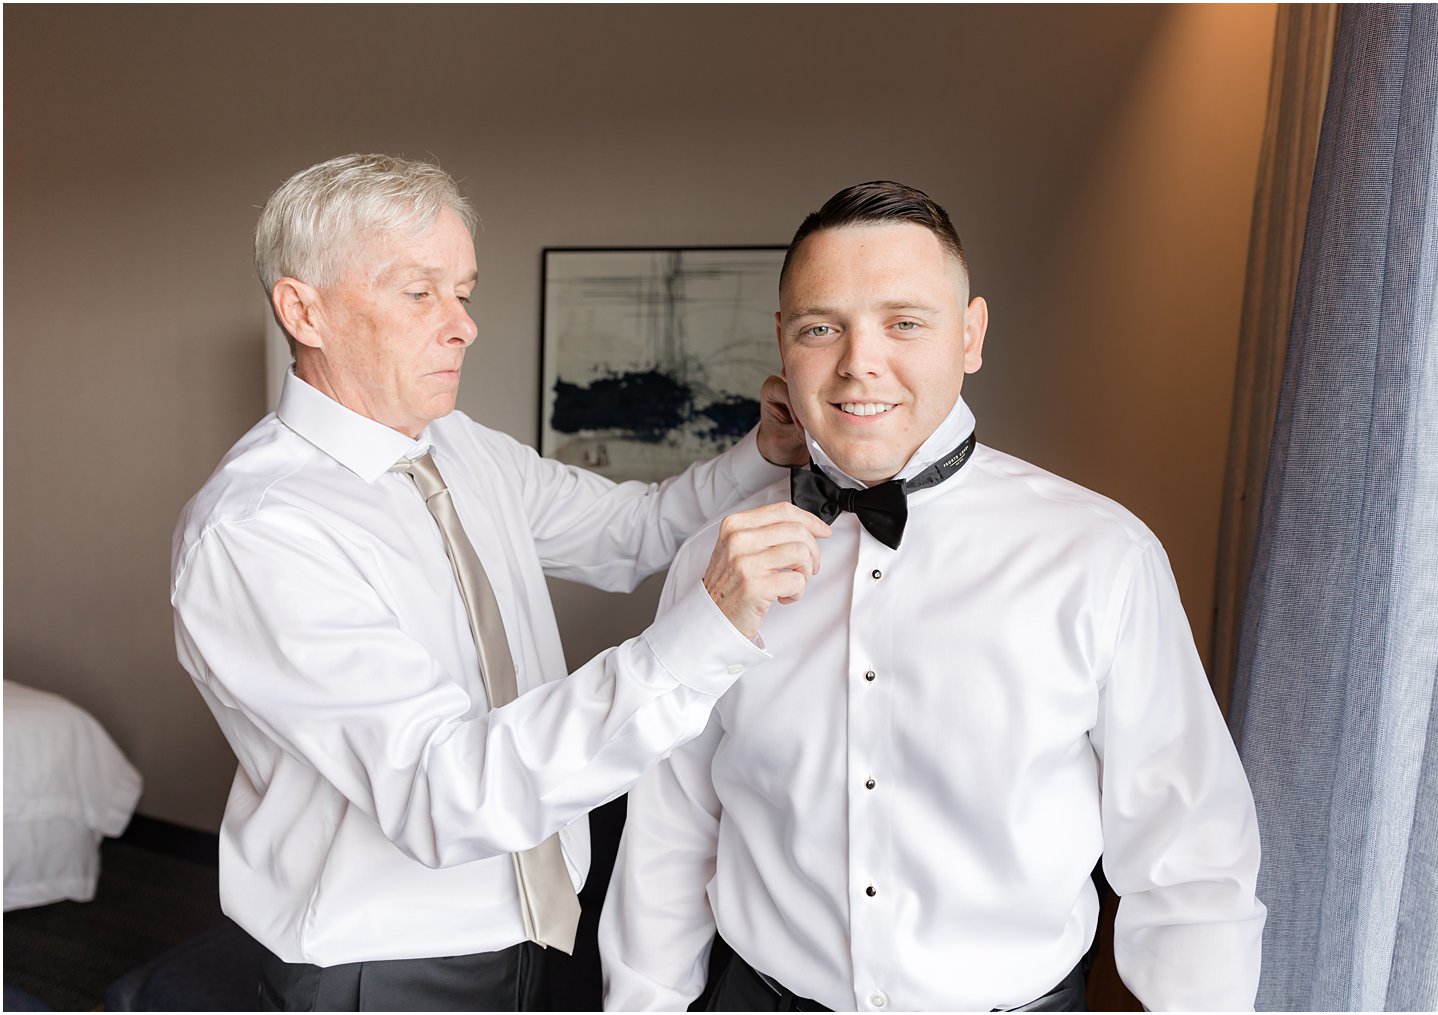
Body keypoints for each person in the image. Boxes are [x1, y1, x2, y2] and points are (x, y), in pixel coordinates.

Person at [170, 153, 829, 1011]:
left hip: (543, 927)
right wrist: (703, 634)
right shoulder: (257, 532)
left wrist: (762, 454)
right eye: (420, 294)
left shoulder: (459, 446)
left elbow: (629, 529)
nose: (463, 326)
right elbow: (447, 790)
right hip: (385, 972)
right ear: (304, 310)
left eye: (464, 292)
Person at [600, 182, 1267, 1012]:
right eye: (821, 327)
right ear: (783, 343)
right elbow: (670, 831)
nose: (858, 363)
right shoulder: (714, 560)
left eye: (904, 322)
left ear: (971, 334)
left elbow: (1190, 858)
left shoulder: (1102, 558)